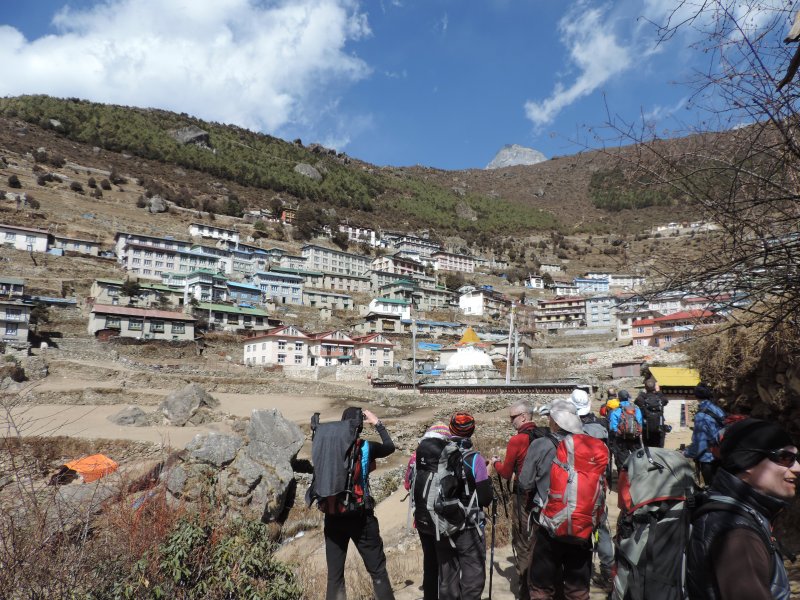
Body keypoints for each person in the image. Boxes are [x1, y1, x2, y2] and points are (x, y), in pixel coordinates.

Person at [686, 419, 799, 600]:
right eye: (785, 458)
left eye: (796, 459)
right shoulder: (737, 535)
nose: (797, 468)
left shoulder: (739, 513)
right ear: (747, 462)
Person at [519, 401, 594, 600]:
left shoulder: (541, 444)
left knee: (541, 586)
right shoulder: (590, 444)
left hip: (547, 522)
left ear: (554, 421)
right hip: (582, 522)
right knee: (576, 589)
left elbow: (525, 483)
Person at [323, 407, 396, 600]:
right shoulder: (365, 447)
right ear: (360, 426)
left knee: (335, 577)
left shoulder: (327, 446)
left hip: (333, 515)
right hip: (360, 516)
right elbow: (390, 447)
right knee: (377, 571)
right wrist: (377, 423)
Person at [436, 411, 493, 600]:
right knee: (472, 580)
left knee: (447, 581)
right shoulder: (475, 459)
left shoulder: (438, 455)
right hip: (469, 528)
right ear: (472, 431)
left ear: (450, 429)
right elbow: (485, 499)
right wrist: (488, 474)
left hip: (443, 524)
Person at [490, 401, 542, 598]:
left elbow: (505, 473)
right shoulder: (544, 434)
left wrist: (495, 463)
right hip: (544, 495)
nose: (510, 421)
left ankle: (525, 586)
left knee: (522, 538)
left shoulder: (517, 440)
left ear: (523, 417)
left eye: (512, 417)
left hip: (523, 495)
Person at [566, 389, 613, 591]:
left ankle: (575, 573)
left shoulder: (573, 430)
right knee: (601, 528)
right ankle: (608, 571)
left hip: (577, 487)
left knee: (576, 527)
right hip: (599, 486)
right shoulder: (601, 428)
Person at [404, 421, 451, 600]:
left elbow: (407, 484)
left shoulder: (415, 457)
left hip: (422, 519)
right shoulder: (448, 455)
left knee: (429, 562)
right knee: (446, 561)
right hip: (443, 519)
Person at [683, 382, 726, 486]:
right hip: (721, 453)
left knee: (711, 488)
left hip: (708, 458)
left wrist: (687, 452)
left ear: (696, 396)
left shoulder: (701, 415)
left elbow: (700, 442)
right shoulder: (718, 409)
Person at [607, 389, 643, 474]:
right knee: (637, 459)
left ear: (619, 399)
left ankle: (623, 481)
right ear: (628, 398)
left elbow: (613, 427)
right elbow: (640, 422)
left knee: (622, 462)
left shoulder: (615, 411)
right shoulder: (636, 409)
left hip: (621, 440)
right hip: (635, 438)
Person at [635, 378, 669, 447]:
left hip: (647, 429)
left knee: (648, 451)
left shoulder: (642, 398)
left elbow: (636, 401)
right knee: (659, 450)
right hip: (659, 429)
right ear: (655, 387)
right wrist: (658, 391)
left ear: (645, 388)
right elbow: (666, 401)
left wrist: (643, 392)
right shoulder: (660, 398)